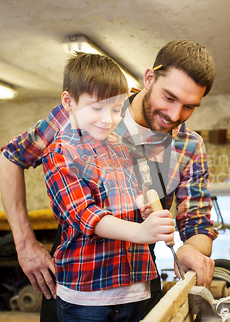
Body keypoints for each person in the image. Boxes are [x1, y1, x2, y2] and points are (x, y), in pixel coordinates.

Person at [0, 39, 218, 321]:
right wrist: (24, 243)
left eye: (189, 107)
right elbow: (10, 158)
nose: (175, 115)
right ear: (149, 78)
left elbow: (197, 222)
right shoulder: (92, 106)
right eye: (169, 97)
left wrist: (190, 249)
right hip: (81, 281)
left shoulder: (189, 146)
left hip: (138, 281)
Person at [42, 52, 174, 322]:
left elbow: (133, 198)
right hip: (88, 297)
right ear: (69, 102)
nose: (107, 119)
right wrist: (141, 231)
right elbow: (86, 215)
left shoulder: (124, 147)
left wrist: (147, 212)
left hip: (136, 289)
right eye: (96, 108)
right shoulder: (61, 152)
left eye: (116, 109)